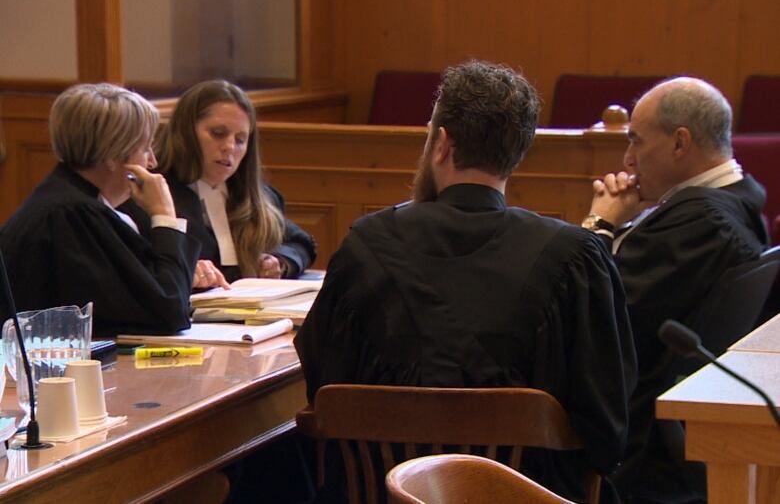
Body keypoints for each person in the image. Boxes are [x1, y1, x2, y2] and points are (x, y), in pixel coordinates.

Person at [295, 60, 637, 503]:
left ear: (441, 143)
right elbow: (608, 427)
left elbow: (325, 391)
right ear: (517, 153)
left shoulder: (365, 247)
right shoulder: (573, 257)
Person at [585, 77, 769, 503]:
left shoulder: (700, 226)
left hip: (633, 446)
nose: (628, 160)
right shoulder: (737, 199)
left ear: (680, 143)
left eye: (636, 141)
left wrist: (599, 227)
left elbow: (595, 316)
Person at [0, 83, 200, 336]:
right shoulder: (73, 214)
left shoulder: (69, 200)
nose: (152, 161)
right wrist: (165, 217)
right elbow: (168, 310)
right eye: (144, 148)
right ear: (113, 155)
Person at [132, 79, 316, 288]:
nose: (229, 147)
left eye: (240, 140)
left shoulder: (257, 195)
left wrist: (279, 261)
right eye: (218, 134)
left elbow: (301, 243)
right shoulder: (153, 193)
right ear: (186, 132)